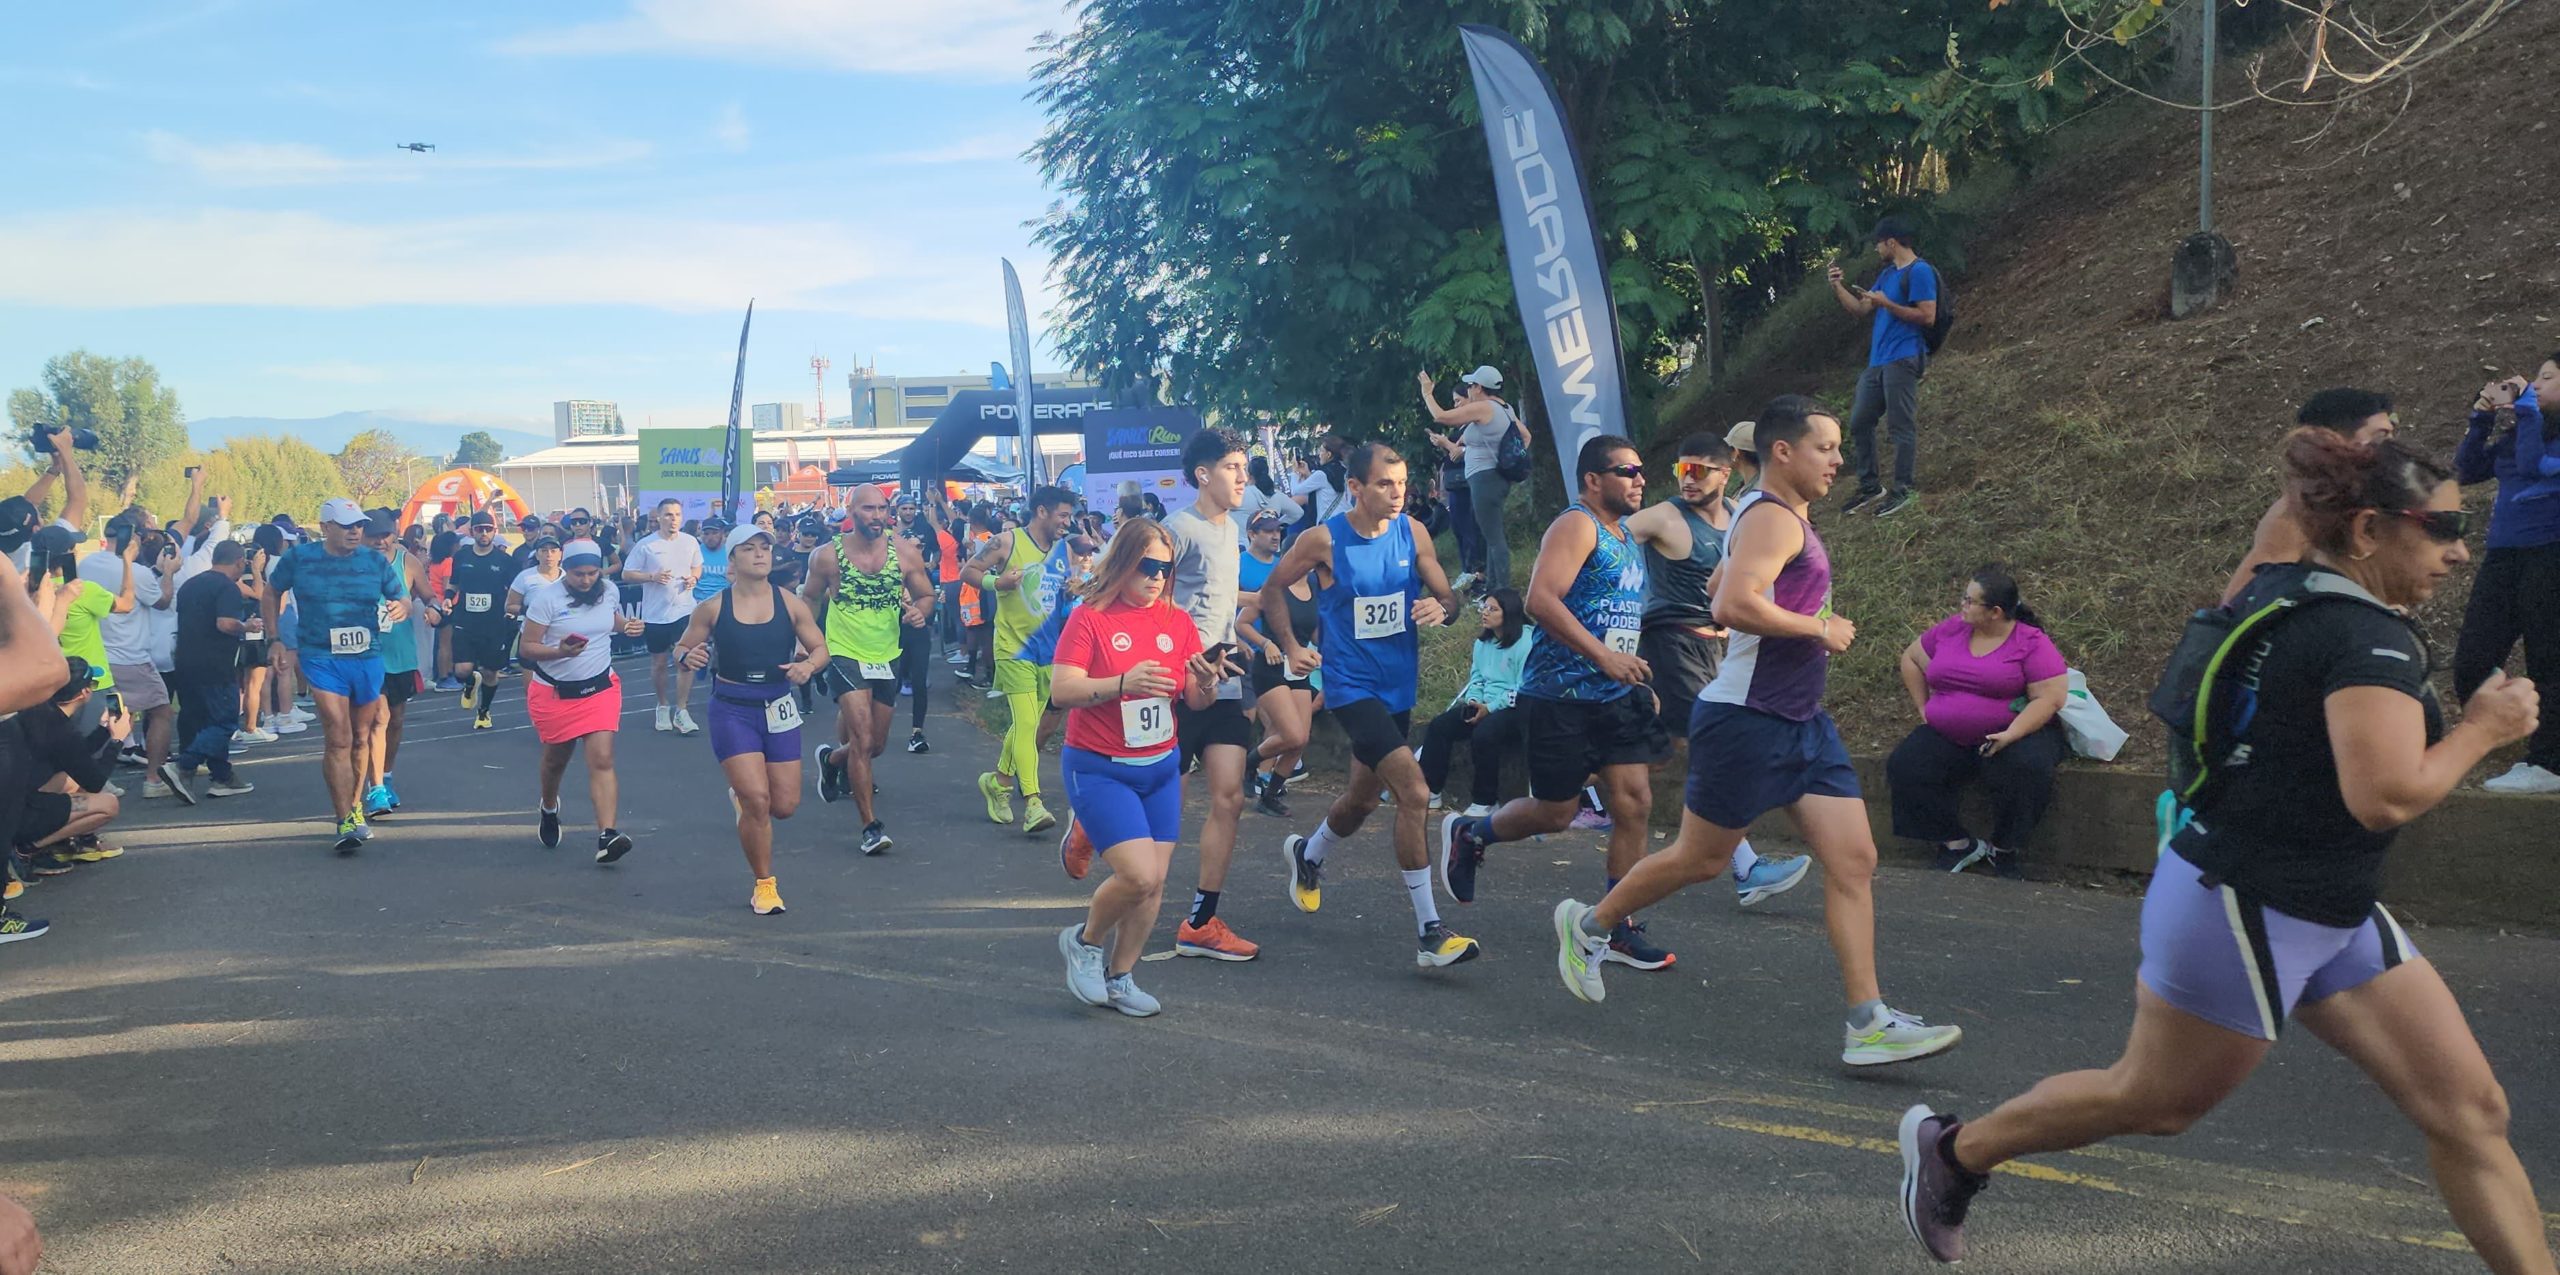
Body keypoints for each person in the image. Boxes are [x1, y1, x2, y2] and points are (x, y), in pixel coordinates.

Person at [1897, 430, 2553, 1270]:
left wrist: (2342, 463)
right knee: (2152, 1099)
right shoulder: (2367, 641)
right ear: (2366, 531)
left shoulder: (2278, 584)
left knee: (2471, 1110)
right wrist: (2482, 731)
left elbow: (2280, 522)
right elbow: (2385, 795)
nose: (2461, 552)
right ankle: (1952, 1155)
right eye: (2442, 527)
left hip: (2330, 902)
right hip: (2245, 902)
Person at [1551, 396, 1963, 1066]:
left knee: (1855, 859)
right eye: (1825, 447)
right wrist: (1819, 628)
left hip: (1801, 718)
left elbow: (1721, 574)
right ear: (1782, 451)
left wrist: (1783, 607)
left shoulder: (1762, 513)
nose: (1838, 459)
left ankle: (1869, 1022)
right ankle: (1589, 924)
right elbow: (1730, 601)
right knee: (1702, 859)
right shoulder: (1772, 518)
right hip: (1747, 718)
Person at [1439, 436, 1680, 971]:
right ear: (1593, 481)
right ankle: (1471, 832)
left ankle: (1615, 924)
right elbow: (1540, 600)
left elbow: (1614, 615)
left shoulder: (1625, 536)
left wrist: (1631, 670)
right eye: (1626, 471)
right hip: (1560, 697)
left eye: (1642, 469)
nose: (1640, 478)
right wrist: (1604, 657)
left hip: (1615, 695)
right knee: (1556, 812)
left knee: (1634, 802)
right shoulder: (1576, 525)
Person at [1265, 443, 1474, 969]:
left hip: (1398, 686)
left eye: (1402, 482)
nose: (1398, 491)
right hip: (1350, 686)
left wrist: (1440, 608)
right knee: (1415, 791)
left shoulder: (1414, 533)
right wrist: (1291, 646)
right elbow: (1272, 591)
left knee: (1361, 799)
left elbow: (1452, 601)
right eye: (1385, 483)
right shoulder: (1323, 540)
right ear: (1355, 488)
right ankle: (1430, 930)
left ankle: (1307, 856)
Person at [1625, 431, 1808, 906]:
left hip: (1720, 650)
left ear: (1726, 473)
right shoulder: (1665, 515)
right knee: (1711, 743)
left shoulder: (1738, 519)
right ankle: (1746, 866)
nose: (1688, 480)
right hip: (1672, 644)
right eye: (1681, 470)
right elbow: (1612, 534)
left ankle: (1570, 793)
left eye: (1699, 471)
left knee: (1658, 751)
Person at [1051, 520, 1224, 1017]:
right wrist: (1122, 682)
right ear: (1123, 562)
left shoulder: (1177, 621)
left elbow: (1194, 697)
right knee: (1139, 875)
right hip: (1099, 765)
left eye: (1164, 570)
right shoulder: (1090, 619)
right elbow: (1063, 692)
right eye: (1146, 567)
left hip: (1160, 767)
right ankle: (1084, 942)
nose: (1155, 578)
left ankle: (1121, 976)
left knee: (1156, 881)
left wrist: (1208, 681)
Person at [675, 526, 828, 914]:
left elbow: (821, 648)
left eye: (765, 548)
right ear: (733, 559)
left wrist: (808, 667)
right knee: (758, 801)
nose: (760, 555)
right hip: (732, 707)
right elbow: (683, 646)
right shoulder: (713, 606)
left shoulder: (791, 603)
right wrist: (686, 657)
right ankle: (764, 884)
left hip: (778, 705)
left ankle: (744, 798)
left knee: (785, 805)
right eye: (749, 549)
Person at [1153, 430, 1260, 961]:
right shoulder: (1179, 529)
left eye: (1244, 467)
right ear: (1203, 474)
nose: (1244, 477)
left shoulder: (1231, 529)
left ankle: (1200, 920)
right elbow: (1150, 597)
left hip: (1224, 680)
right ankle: (1094, 829)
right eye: (1233, 468)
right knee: (1164, 811)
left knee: (1231, 797)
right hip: (1179, 686)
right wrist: (1180, 655)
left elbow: (1216, 594)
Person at [1887, 566, 2069, 878]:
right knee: (1906, 766)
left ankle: (2005, 849)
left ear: (1995, 612)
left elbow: (2050, 698)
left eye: (1970, 601)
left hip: (2018, 732)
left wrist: (2011, 734)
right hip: (1949, 734)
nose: (1963, 605)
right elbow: (1912, 658)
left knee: (2026, 770)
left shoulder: (2030, 642)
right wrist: (1924, 707)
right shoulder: (1953, 629)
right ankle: (1957, 844)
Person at [266, 499, 409, 854]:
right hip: (321, 656)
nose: (355, 531)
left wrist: (401, 607)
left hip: (366, 657)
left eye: (358, 525)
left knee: (361, 737)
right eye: (346, 525)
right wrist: (275, 639)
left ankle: (356, 806)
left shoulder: (373, 560)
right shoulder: (299, 558)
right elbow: (272, 592)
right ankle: (343, 816)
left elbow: (400, 597)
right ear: (324, 526)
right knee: (338, 735)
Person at [803, 486, 935, 854]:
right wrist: (809, 642)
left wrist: (918, 613)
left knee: (875, 745)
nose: (877, 516)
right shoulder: (827, 556)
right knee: (862, 740)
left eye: (882, 509)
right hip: (845, 652)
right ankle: (870, 827)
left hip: (887, 652)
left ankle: (831, 760)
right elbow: (809, 599)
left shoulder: (905, 552)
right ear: (850, 510)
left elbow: (927, 596)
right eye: (868, 509)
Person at [2456, 358, 2560, 794]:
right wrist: (2481, 416)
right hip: (2503, 556)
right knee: (2473, 659)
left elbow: (2538, 466)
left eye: (2547, 377)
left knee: (2548, 660)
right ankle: (2508, 724)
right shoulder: (2522, 430)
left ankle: (2548, 763)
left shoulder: (2533, 426)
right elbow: (2465, 470)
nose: (2534, 383)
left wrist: (2528, 407)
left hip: (2550, 554)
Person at [520, 541, 648, 862]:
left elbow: (610, 620)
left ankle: (607, 835)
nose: (587, 580)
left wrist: (627, 626)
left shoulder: (608, 591)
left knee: (602, 758)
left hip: (600, 687)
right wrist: (559, 652)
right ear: (567, 570)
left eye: (593, 573)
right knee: (555, 761)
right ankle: (549, 807)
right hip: (555, 691)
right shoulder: (547, 599)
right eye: (579, 574)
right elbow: (527, 648)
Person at [965, 486, 1077, 833]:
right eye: (1062, 515)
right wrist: (996, 582)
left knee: (1025, 724)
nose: (1067, 522)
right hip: (1013, 646)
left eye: (1069, 516)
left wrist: (1073, 590)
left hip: (1049, 649)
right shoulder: (1005, 541)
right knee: (1028, 725)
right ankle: (1033, 803)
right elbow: (968, 571)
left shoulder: (1063, 549)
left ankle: (997, 782)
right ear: (1041, 511)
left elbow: (1060, 594)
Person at [2222, 390, 2401, 605]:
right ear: (2334, 440)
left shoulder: (2354, 500)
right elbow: (2238, 601)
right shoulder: (2300, 512)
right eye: (2381, 436)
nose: (2393, 447)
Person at [1830, 216, 1940, 518]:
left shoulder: (1920, 271)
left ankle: (1903, 489)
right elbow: (1860, 309)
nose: (1876, 249)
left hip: (1904, 357)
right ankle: (1870, 486)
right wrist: (1837, 286)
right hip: (1878, 361)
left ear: (1891, 241)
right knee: (1860, 421)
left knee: (1900, 425)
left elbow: (1928, 316)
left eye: (1878, 243)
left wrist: (1887, 303)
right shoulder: (1887, 274)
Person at [1415, 587, 1531, 815]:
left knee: (1485, 733)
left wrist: (1490, 707)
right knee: (1440, 726)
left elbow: (1524, 687)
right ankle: (1431, 790)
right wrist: (1474, 700)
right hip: (1483, 704)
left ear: (1508, 613)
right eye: (1484, 607)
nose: (1485, 613)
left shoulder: (1527, 641)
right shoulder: (1483, 643)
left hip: (1516, 707)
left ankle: (1486, 800)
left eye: (1492, 609)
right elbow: (1477, 677)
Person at [85, 519, 178, 798]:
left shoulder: (87, 564)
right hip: (131, 656)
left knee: (113, 717)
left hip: (101, 655)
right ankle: (153, 779)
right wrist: (169, 573)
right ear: (131, 538)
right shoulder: (136, 572)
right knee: (162, 711)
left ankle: (97, 779)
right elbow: (162, 601)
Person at [161, 539, 257, 802]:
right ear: (240, 562)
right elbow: (225, 623)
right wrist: (246, 626)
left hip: (185, 659)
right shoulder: (227, 587)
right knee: (225, 720)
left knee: (195, 718)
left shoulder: (191, 584)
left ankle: (221, 774)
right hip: (215, 663)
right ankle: (184, 765)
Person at [1237, 510, 1315, 817]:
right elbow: (1242, 622)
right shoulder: (1273, 584)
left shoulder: (1314, 586)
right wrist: (1265, 643)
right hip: (1268, 665)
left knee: (1300, 741)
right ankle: (1248, 764)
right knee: (1289, 733)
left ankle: (1269, 796)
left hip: (1299, 668)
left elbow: (1316, 629)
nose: (1275, 536)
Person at [1420, 367, 1527, 592]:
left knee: (1494, 537)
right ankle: (1492, 587)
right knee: (1490, 534)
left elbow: (1441, 416)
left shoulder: (1484, 407)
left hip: (1485, 479)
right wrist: (1505, 459)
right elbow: (1526, 436)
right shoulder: (1504, 408)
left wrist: (1427, 393)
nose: (1469, 390)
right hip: (1495, 477)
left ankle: (1503, 593)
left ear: (1479, 388)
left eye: (1471, 386)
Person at [357, 514, 432, 818]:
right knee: (380, 717)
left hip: (400, 653)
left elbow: (428, 595)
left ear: (395, 533)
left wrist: (436, 610)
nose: (380, 541)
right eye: (373, 536)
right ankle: (375, 789)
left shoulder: (407, 561)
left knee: (396, 720)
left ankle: (385, 777)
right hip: (365, 654)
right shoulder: (352, 562)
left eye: (385, 535)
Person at [623, 498, 705, 734]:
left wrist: (694, 578)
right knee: (659, 663)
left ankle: (682, 710)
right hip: (656, 615)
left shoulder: (690, 542)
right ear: (658, 518)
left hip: (685, 610)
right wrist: (652, 577)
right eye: (668, 515)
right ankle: (662, 705)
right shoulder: (646, 545)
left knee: (685, 660)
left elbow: (697, 566)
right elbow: (628, 573)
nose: (673, 519)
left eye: (677, 514)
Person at [445, 513, 519, 731]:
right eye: (479, 529)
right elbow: (453, 583)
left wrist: (513, 609)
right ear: (472, 531)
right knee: (461, 670)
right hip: (465, 621)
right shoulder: (462, 556)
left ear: (495, 531)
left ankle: (484, 711)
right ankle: (469, 684)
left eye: (488, 529)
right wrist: (448, 598)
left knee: (490, 672)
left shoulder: (505, 561)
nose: (484, 533)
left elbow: (516, 590)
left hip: (493, 623)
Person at [0, 424, 88, 575]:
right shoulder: (48, 547)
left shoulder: (7, 558)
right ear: (36, 529)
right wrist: (66, 453)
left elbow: (27, 505)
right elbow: (77, 499)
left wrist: (55, 468)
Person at [895, 497, 938, 754]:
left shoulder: (925, 573)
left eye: (919, 547)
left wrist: (928, 604)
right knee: (894, 682)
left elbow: (930, 598)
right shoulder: (893, 571)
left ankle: (917, 732)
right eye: (910, 547)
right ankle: (874, 731)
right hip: (894, 633)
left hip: (920, 633)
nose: (916, 551)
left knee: (920, 680)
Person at [1233, 456, 1302, 548]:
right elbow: (1298, 512)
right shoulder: (1277, 495)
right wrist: (1277, 525)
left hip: (1242, 548)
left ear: (1249, 475)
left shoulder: (1241, 495)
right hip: (1268, 549)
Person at [506, 535, 565, 619]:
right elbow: (509, 606)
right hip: (532, 626)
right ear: (537, 555)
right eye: (544, 551)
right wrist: (528, 610)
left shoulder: (568, 578)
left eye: (553, 551)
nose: (549, 555)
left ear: (560, 555)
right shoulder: (524, 577)